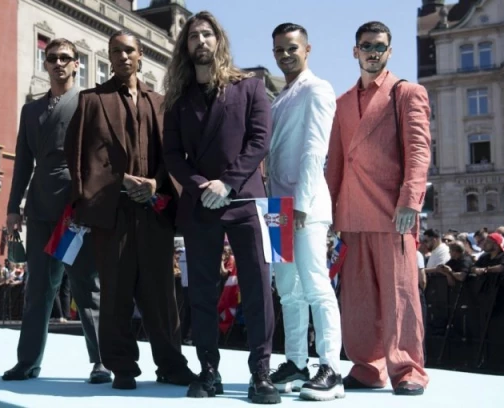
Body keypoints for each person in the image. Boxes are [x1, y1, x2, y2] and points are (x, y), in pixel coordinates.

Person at [65, 29, 195, 390]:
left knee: (161, 293)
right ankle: (122, 367)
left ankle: (170, 363)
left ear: (140, 56)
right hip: (112, 209)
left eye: (129, 51)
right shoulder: (92, 101)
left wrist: (156, 182)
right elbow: (80, 155)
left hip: (155, 208)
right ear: (109, 58)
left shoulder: (162, 103)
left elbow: (174, 154)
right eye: (116, 51)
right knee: (115, 291)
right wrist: (120, 180)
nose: (122, 56)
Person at [162, 11, 280, 404]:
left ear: (219, 40)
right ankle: (208, 371)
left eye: (207, 34)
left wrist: (226, 183)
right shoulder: (178, 99)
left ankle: (261, 372)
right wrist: (201, 186)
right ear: (185, 46)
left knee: (257, 287)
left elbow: (259, 141)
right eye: (193, 36)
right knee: (201, 292)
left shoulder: (250, 87)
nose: (200, 41)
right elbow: (172, 154)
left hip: (245, 200)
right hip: (201, 204)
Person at [326, 21, 431, 396]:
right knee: (358, 298)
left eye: (380, 46)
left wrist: (410, 201)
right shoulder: (341, 103)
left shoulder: (406, 92)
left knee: (400, 294)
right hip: (352, 214)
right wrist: (329, 212)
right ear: (355, 51)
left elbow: (419, 150)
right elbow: (335, 163)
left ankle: (408, 369)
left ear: (390, 51)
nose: (373, 52)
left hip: (392, 212)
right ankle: (368, 367)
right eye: (367, 45)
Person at [3, 38, 108, 384]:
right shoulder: (30, 110)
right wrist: (13, 209)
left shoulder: (89, 102)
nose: (59, 63)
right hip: (39, 207)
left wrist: (88, 201)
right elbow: (22, 162)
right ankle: (28, 362)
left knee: (85, 285)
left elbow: (99, 158)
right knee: (37, 288)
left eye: (65, 58)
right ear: (45, 63)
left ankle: (102, 360)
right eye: (52, 58)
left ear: (77, 64)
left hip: (73, 209)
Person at [267, 22, 343, 402]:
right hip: (276, 206)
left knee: (315, 284)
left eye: (292, 48)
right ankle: (296, 362)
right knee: (287, 290)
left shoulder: (318, 88)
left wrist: (300, 203)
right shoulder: (278, 99)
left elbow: (316, 149)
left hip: (304, 205)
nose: (285, 55)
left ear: (307, 49)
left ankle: (331, 368)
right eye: (279, 49)